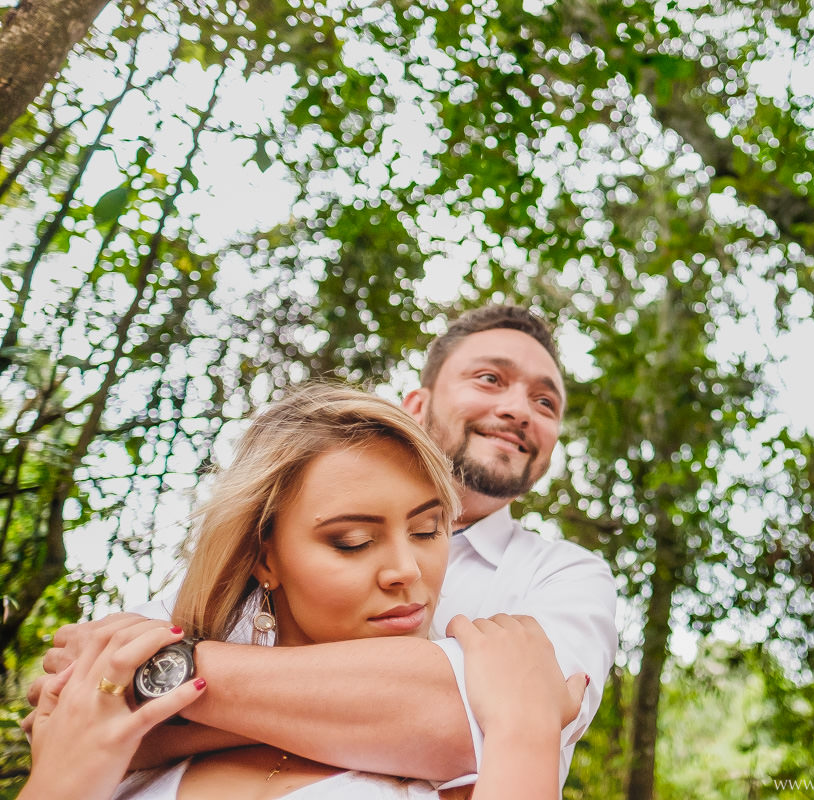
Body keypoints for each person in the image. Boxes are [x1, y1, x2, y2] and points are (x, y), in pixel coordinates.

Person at [32, 305, 618, 791]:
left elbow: (479, 723)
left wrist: (175, 678)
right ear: (417, 405)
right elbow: (70, 707)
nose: (520, 410)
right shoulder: (261, 544)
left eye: (547, 403)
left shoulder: (567, 575)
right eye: (490, 379)